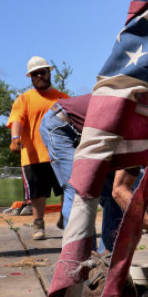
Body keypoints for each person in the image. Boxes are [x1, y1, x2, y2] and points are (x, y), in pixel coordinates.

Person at [38, 94, 123, 253]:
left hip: (91, 135)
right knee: (77, 190)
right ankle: (80, 261)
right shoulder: (137, 109)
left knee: (113, 191)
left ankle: (106, 260)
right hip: (61, 125)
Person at [8, 56, 68, 240]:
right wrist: (15, 137)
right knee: (37, 193)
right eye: (35, 74)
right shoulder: (24, 99)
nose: (39, 76)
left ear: (50, 73)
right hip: (33, 155)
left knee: (67, 189)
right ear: (30, 77)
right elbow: (17, 119)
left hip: (59, 154)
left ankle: (66, 221)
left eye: (42, 72)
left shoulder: (63, 98)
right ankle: (38, 225)